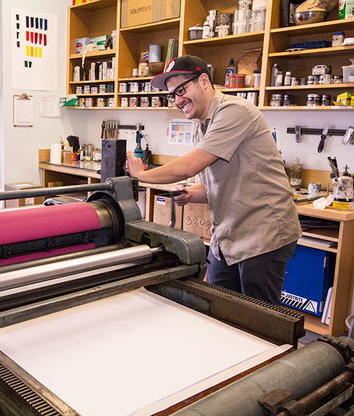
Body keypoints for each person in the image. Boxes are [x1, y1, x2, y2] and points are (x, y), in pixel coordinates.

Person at [126, 55, 301, 305]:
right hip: (228, 235)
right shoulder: (201, 123)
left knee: (259, 317)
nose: (177, 100)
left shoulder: (234, 111)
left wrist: (142, 175)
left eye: (182, 89)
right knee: (217, 304)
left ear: (205, 81)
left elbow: (188, 166)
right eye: (172, 95)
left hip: (263, 233)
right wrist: (193, 194)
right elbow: (217, 183)